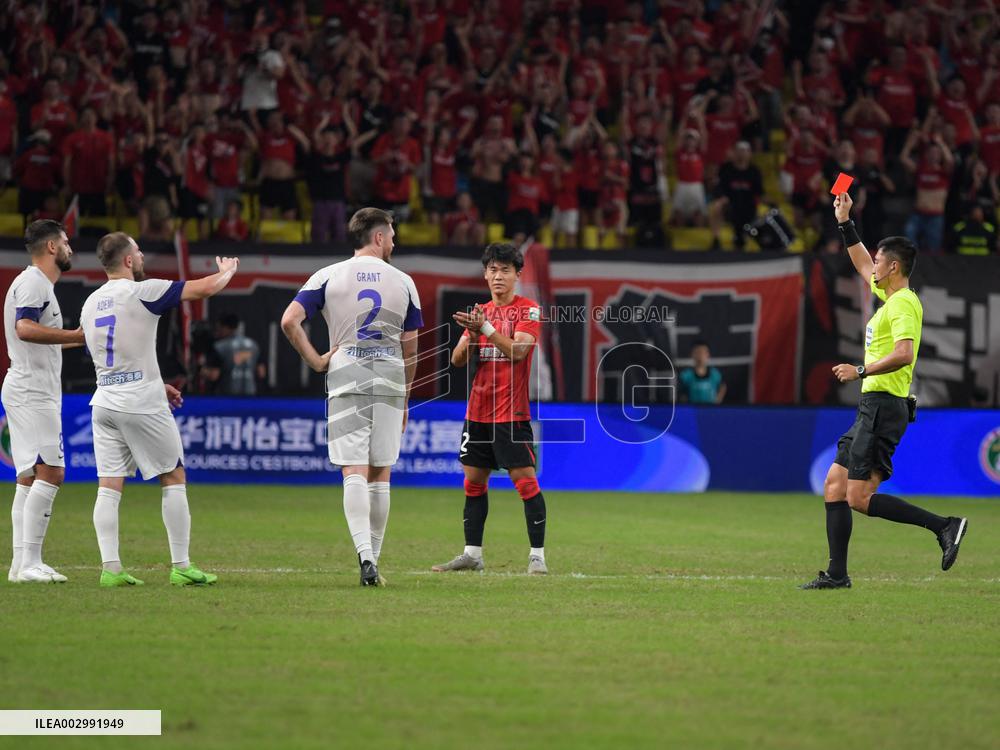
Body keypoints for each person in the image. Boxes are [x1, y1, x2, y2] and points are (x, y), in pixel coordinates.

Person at [801, 194, 968, 590]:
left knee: (858, 497)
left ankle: (945, 526)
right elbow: (859, 262)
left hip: (884, 405)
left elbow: (904, 354)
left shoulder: (904, 304)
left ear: (893, 267)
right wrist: (845, 222)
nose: (871, 264)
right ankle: (837, 575)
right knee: (834, 485)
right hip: (871, 406)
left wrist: (860, 369)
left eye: (879, 260)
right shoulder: (890, 298)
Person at [79, 232, 240, 587]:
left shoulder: (90, 303)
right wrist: (227, 271)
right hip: (139, 402)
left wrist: (156, 381)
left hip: (103, 400)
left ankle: (111, 569)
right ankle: (181, 566)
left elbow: (115, 350)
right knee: (174, 475)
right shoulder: (141, 290)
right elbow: (203, 289)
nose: (140, 257)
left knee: (108, 485)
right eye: (137, 252)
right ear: (126, 261)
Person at [281, 208, 422, 587]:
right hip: (390, 377)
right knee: (381, 471)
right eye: (391, 234)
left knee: (353, 470)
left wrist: (315, 360)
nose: (393, 241)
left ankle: (364, 557)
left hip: (346, 374)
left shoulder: (327, 275)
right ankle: (374, 560)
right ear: (378, 238)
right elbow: (411, 350)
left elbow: (289, 320)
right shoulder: (404, 281)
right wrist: (406, 396)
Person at [432, 243, 548, 576]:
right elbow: (456, 361)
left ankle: (537, 556)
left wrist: (484, 329)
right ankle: (472, 555)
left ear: (517, 275)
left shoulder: (529, 311)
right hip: (477, 412)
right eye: (493, 270)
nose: (498, 276)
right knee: (473, 483)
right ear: (485, 274)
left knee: (525, 483)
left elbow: (518, 352)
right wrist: (469, 336)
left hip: (511, 414)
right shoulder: (479, 312)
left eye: (505, 270)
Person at [2, 221, 84, 583]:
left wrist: (79, 340)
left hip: (24, 385)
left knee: (27, 476)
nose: (70, 249)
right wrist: (73, 333)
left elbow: (35, 335)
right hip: (34, 390)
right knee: (51, 471)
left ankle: (21, 565)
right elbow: (25, 329)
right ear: (51, 247)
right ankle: (31, 563)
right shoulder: (35, 282)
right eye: (65, 243)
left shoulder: (29, 282)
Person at [213, 314, 262, 395]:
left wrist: (202, 370)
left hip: (227, 395)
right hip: (250, 393)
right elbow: (261, 372)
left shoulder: (219, 347)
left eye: (219, 328)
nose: (218, 332)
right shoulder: (253, 345)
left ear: (225, 327)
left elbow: (214, 375)